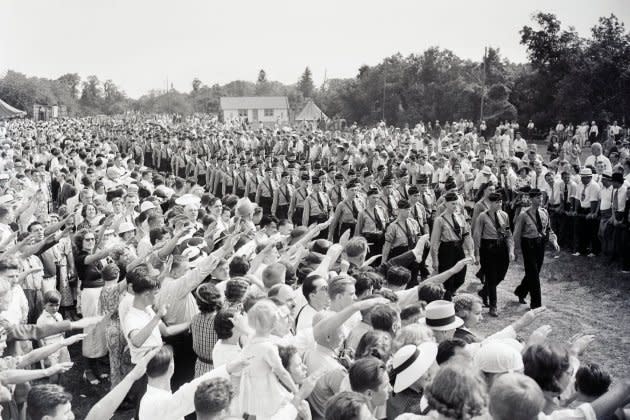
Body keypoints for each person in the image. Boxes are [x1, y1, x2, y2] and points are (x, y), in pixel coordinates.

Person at [513, 189, 559, 309]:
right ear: (531, 199)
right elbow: (517, 234)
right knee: (534, 274)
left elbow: (548, 229)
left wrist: (554, 241)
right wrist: (515, 250)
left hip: (540, 245)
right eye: (538, 198)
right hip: (528, 244)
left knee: (534, 272)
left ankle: (521, 291)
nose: (540, 200)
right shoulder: (523, 215)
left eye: (541, 198)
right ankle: (536, 304)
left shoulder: (544, 212)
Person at [473, 191, 514, 316]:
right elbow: (477, 235)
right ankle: (493, 306)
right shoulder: (482, 217)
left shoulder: (504, 215)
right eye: (497, 202)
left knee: (500, 275)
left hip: (501, 248)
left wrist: (511, 250)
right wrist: (477, 254)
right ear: (490, 203)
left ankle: (484, 292)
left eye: (501, 202)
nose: (500, 204)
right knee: (491, 277)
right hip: (488, 248)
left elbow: (508, 234)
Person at [429, 192, 474, 300]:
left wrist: (471, 252)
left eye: (457, 204)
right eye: (453, 204)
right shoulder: (440, 220)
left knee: (461, 277)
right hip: (446, 250)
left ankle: (448, 293)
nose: (455, 206)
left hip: (459, 249)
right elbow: (434, 243)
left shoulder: (461, 217)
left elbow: (466, 235)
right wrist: (435, 261)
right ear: (446, 203)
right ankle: (447, 300)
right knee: (447, 279)